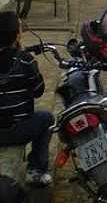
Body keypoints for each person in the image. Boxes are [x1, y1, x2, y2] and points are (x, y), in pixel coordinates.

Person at [0, 12, 53, 187]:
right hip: (16, 131)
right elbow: (38, 91)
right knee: (46, 118)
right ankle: (36, 169)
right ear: (17, 36)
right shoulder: (25, 61)